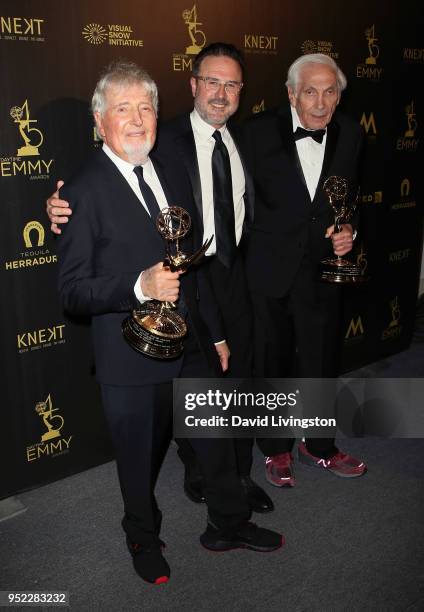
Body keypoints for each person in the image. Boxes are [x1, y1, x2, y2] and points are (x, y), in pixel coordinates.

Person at [56, 60, 282, 586]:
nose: (137, 120)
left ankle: (229, 521)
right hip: (128, 356)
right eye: (123, 109)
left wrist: (215, 331)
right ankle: (142, 535)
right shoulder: (79, 193)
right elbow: (70, 292)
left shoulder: (174, 167)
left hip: (193, 341)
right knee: (137, 460)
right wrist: (138, 285)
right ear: (99, 121)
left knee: (216, 437)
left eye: (146, 108)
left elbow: (190, 262)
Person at [240, 53, 367, 487]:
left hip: (322, 270)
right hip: (269, 268)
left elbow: (350, 199)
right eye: (309, 91)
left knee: (321, 359)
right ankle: (275, 448)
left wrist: (349, 228)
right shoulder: (255, 133)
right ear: (291, 93)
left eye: (330, 91)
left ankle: (319, 445)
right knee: (271, 362)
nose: (320, 101)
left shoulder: (351, 133)